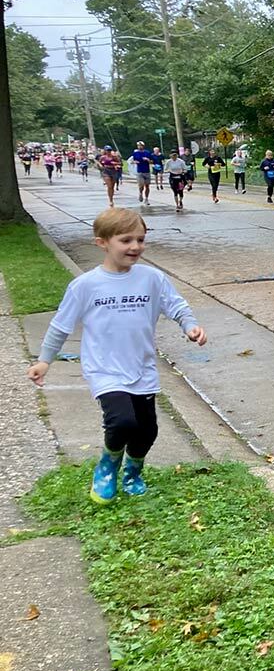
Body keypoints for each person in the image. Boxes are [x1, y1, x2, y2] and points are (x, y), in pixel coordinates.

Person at [26, 208, 207, 504]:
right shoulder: (85, 286)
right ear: (102, 243)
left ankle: (133, 471)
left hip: (142, 367)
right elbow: (61, 325)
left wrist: (191, 327)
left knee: (146, 431)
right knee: (122, 421)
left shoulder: (152, 279)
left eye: (140, 239)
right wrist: (45, 360)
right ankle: (108, 466)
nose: (135, 247)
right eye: (126, 240)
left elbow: (176, 305)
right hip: (104, 369)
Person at [130, 141, 153, 205]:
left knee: (147, 186)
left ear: (143, 146)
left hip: (147, 171)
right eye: (138, 146)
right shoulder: (135, 153)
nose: (139, 147)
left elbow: (152, 161)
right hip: (140, 171)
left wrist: (148, 160)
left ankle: (146, 198)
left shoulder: (147, 153)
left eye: (141, 145)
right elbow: (132, 161)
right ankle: (140, 193)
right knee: (141, 185)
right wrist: (135, 162)